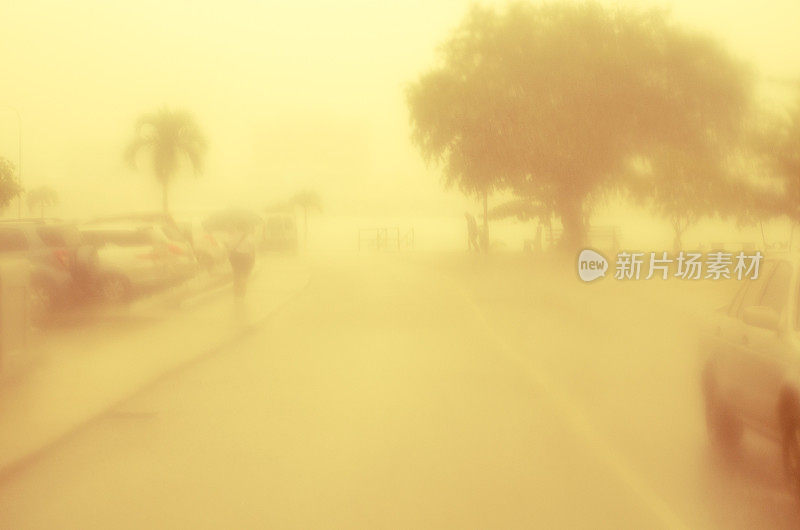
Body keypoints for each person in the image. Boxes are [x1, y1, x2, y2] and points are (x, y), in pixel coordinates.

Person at [227, 228, 256, 298]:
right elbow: (252, 249)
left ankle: (236, 291)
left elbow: (229, 247)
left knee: (236, 275)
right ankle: (242, 291)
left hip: (236, 258)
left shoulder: (234, 236)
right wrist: (253, 260)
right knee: (244, 275)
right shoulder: (250, 237)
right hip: (246, 258)